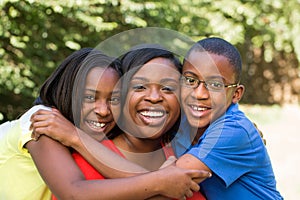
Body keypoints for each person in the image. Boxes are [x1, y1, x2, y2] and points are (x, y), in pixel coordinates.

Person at [33, 38, 280, 199]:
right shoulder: (84, 162)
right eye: (139, 87)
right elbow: (165, 183)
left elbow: (170, 180)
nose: (154, 97)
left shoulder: (189, 146)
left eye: (168, 88)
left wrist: (244, 132)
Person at [0, 47, 207, 200]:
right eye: (89, 97)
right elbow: (74, 193)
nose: (103, 110)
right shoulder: (42, 120)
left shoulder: (93, 139)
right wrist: (162, 181)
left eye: (113, 100)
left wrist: (165, 179)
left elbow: (124, 171)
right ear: (67, 91)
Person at [173, 37, 283, 199]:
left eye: (216, 85)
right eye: (190, 80)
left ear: (236, 94)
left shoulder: (234, 131)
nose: (199, 94)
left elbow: (173, 179)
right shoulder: (183, 123)